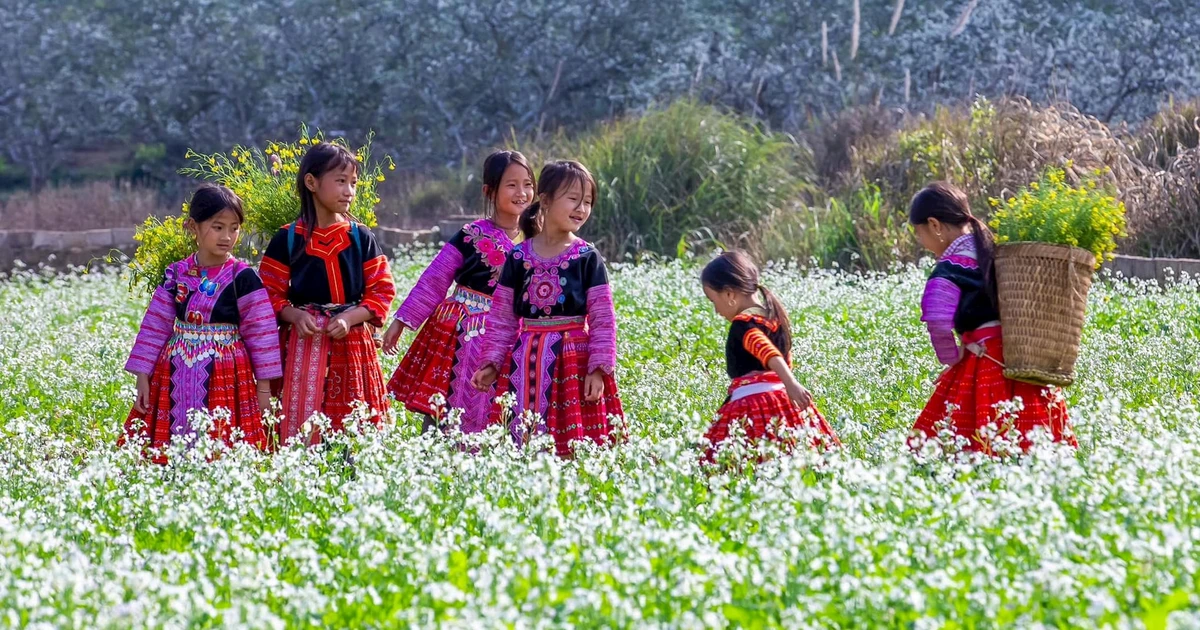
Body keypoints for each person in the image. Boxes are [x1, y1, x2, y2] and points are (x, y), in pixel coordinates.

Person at [908, 181, 1077, 455]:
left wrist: (951, 358)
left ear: (935, 225)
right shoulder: (998, 250)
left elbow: (938, 319)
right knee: (1034, 443)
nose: (920, 240)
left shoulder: (950, 268)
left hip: (983, 362)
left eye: (919, 232)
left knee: (960, 444)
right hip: (1022, 358)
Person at [471, 160, 623, 457]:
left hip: (573, 365)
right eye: (573, 199)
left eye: (588, 202)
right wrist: (491, 362)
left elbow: (603, 319)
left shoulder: (587, 258)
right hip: (524, 361)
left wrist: (598, 369)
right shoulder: (518, 256)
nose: (581, 209)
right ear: (546, 199)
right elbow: (502, 318)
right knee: (518, 448)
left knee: (573, 453)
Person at [121, 184, 282, 462]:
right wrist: (142, 376)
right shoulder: (177, 273)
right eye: (218, 227)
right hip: (174, 370)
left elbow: (262, 333)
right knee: (174, 442)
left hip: (227, 373)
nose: (227, 236)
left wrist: (264, 389)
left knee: (221, 443)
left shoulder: (243, 278)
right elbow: (156, 324)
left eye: (234, 228)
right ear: (193, 227)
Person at [384, 151, 534, 431]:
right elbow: (435, 279)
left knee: (502, 409)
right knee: (446, 402)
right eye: (511, 185)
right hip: (461, 333)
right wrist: (402, 321)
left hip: (511, 334)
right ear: (489, 190)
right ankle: (436, 460)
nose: (522, 193)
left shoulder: (538, 241)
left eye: (528, 184)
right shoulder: (471, 235)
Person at [259, 142, 396, 445]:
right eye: (340, 181)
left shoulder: (360, 237)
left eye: (353, 183)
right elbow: (268, 293)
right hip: (301, 345)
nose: (349, 191)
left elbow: (382, 290)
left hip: (352, 345)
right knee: (298, 434)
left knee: (351, 429)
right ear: (311, 182)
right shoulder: (288, 239)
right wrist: (293, 314)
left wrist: (350, 317)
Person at [699, 250, 840, 462]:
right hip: (782, 402)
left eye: (713, 301)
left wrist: (791, 383)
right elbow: (785, 358)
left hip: (752, 405)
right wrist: (788, 386)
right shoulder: (775, 319)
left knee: (728, 466)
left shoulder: (743, 324)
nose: (716, 310)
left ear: (729, 294)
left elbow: (768, 352)